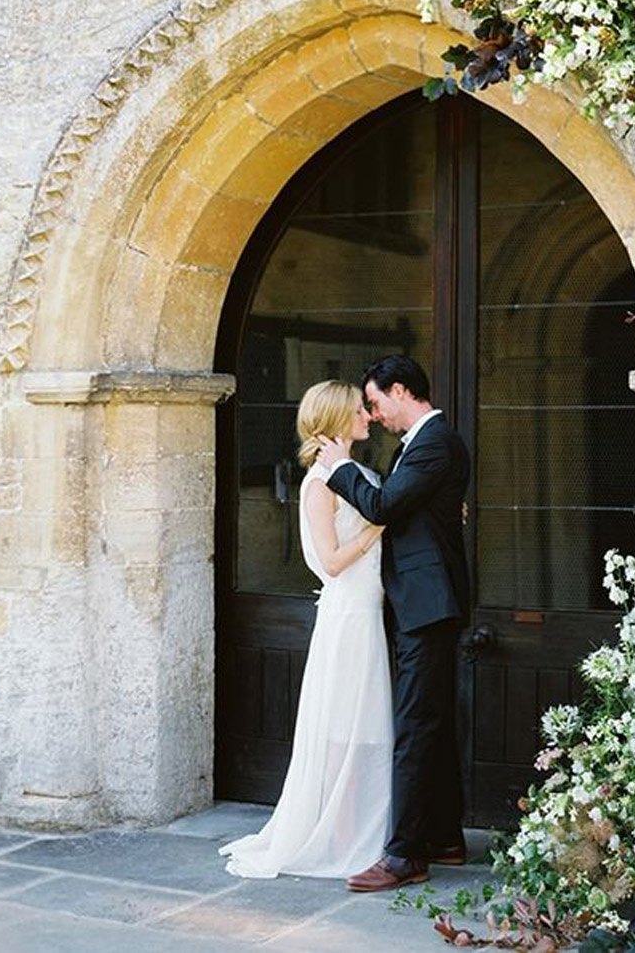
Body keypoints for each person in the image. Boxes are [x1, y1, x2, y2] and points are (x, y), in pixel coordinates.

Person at [219, 380, 391, 879]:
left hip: (369, 610)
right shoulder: (318, 484)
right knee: (344, 726)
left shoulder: (354, 472)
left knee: (371, 726)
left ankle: (366, 826)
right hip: (348, 615)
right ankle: (341, 836)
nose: (367, 415)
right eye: (359, 409)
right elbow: (333, 562)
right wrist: (379, 525)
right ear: (337, 419)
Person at [317, 355, 470, 892]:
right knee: (431, 721)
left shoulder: (433, 443)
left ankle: (405, 855)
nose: (375, 415)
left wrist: (337, 471)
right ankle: (445, 835)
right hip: (423, 601)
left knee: (414, 726)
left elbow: (382, 506)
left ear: (401, 391)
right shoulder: (425, 445)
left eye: (377, 402)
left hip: (427, 604)